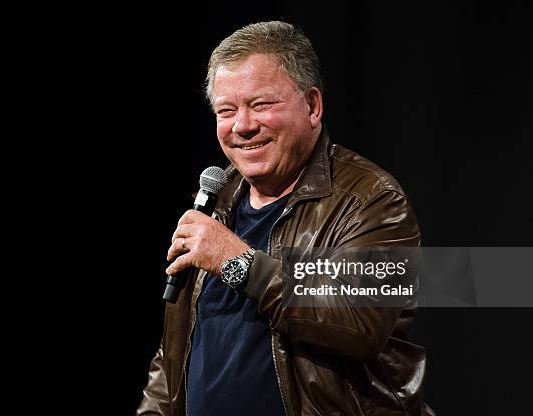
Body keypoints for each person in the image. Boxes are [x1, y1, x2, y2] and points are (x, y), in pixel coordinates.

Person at [137, 21, 434, 415]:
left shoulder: (373, 200)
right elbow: (171, 360)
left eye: (261, 105)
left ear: (312, 105)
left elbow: (360, 323)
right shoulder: (215, 201)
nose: (242, 126)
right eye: (227, 110)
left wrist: (239, 264)